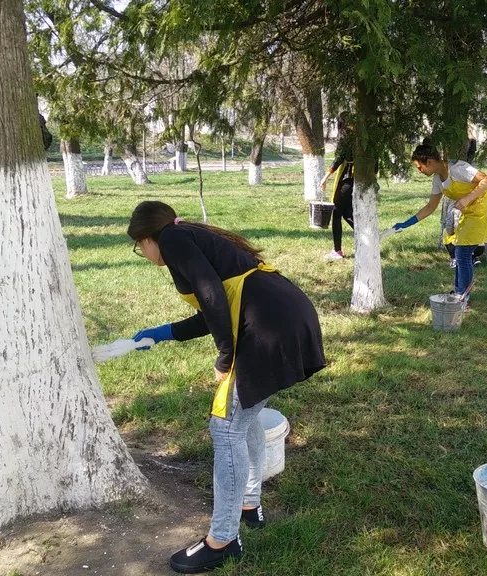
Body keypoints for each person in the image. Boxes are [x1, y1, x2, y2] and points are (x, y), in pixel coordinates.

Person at [126, 201, 326, 573]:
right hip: (283, 314)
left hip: (267, 326)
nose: (146, 254)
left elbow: (213, 297)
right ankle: (249, 504)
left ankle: (222, 540)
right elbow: (214, 305)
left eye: (141, 247)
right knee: (244, 417)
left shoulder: (172, 239)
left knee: (226, 426)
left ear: (147, 238)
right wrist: (165, 333)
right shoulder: (188, 234)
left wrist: (224, 358)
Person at [391, 140, 487, 309]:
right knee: (459, 251)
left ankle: (463, 296)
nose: (419, 171)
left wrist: (468, 198)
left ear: (430, 162)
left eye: (420, 167)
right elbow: (430, 207)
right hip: (467, 210)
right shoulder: (437, 179)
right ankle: (459, 292)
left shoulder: (458, 168)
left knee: (462, 253)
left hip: (484, 207)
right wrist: (406, 223)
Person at [319, 116, 355, 260]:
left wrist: (325, 177)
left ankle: (337, 250)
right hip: (356, 179)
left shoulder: (345, 140)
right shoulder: (359, 139)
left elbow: (338, 160)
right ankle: (367, 239)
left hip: (347, 179)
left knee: (337, 212)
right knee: (347, 212)